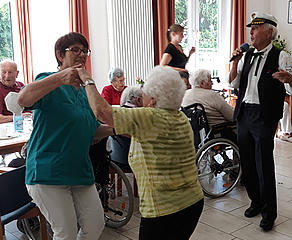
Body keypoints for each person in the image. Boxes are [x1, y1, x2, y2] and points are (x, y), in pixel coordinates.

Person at [76, 65, 204, 240]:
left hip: (163, 210)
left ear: (153, 99)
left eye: (145, 90)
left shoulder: (148, 117)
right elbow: (141, 135)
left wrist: (87, 80)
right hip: (192, 203)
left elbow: (101, 112)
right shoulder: (179, 117)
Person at [17, 32, 111, 240]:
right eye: (75, 50)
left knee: (95, 225)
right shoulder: (48, 81)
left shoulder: (86, 92)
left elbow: (92, 130)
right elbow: (23, 98)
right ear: (60, 55)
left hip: (79, 170)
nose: (81, 55)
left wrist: (123, 126)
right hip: (48, 171)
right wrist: (62, 76)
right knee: (65, 233)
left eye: (84, 51)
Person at [228, 12, 292, 231]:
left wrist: (291, 80)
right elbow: (234, 83)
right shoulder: (248, 55)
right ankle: (256, 202)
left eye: (256, 28)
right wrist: (234, 62)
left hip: (264, 117)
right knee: (248, 164)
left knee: (264, 165)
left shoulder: (281, 56)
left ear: (269, 32)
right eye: (251, 28)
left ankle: (269, 212)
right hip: (244, 114)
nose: (251, 32)